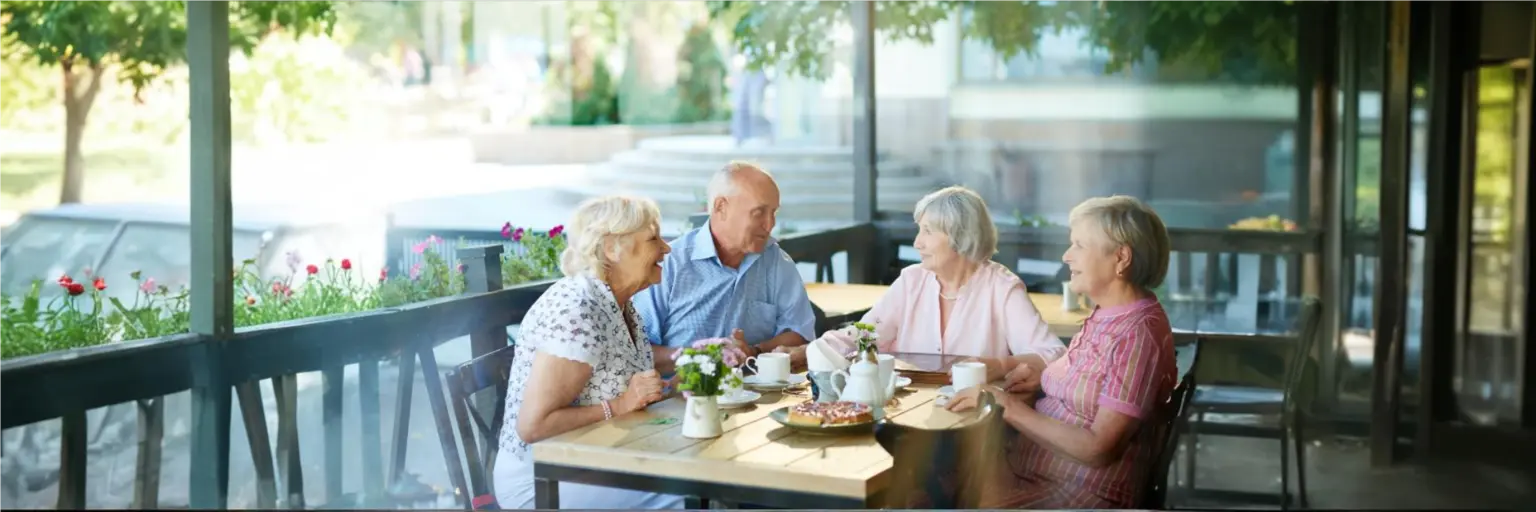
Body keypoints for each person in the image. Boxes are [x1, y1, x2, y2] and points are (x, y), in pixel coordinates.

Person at [947, 195, 1178, 509]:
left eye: (1080, 245)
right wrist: (1043, 376)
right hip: (1035, 474)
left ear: (1121, 258)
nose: (1067, 256)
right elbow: (1094, 381)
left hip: (1076, 493)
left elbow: (1098, 449)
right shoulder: (1109, 313)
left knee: (929, 486)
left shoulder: (1137, 335)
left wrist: (1005, 404)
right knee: (931, 477)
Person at [493, 195, 681, 509]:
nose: (666, 247)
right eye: (652, 239)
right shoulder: (577, 309)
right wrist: (620, 406)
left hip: (602, 460)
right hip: (543, 481)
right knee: (685, 497)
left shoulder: (620, 304)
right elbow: (534, 426)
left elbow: (619, 384)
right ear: (611, 248)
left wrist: (670, 386)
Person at [782, 186, 1065, 380]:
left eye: (928, 231)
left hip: (975, 417)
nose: (917, 243)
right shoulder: (912, 280)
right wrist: (807, 353)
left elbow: (1052, 354)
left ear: (961, 236)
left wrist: (1000, 366)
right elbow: (866, 333)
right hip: (909, 409)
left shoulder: (1001, 288)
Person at [635, 161, 816, 374]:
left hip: (755, 397)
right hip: (681, 400)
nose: (770, 224)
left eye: (774, 213)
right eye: (759, 213)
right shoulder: (670, 264)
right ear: (721, 207)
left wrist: (755, 350)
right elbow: (637, 353)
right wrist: (704, 357)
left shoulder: (775, 260)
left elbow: (799, 331)